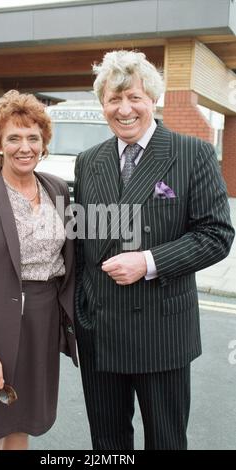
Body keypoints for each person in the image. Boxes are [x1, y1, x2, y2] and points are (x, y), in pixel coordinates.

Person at [74, 50, 235, 450]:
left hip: (160, 334)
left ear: (153, 100)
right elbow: (80, 243)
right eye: (114, 99)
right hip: (101, 331)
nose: (124, 109)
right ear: (103, 105)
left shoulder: (191, 153)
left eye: (134, 98)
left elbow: (217, 234)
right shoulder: (88, 161)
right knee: (107, 443)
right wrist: (80, 312)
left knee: (166, 441)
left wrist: (148, 261)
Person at [0, 90, 77, 450]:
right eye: (14, 138)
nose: (25, 147)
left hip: (43, 326)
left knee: (22, 424)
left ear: (44, 142)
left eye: (33, 137)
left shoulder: (57, 189)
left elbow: (71, 260)